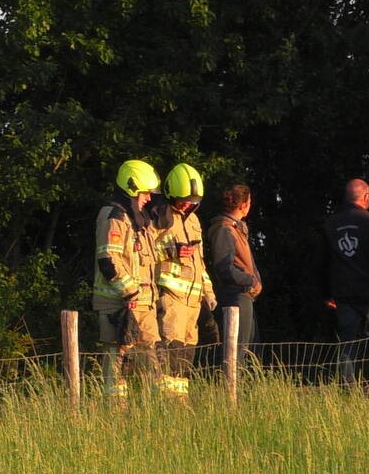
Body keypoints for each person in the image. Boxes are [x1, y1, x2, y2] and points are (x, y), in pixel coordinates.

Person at [93, 159, 164, 402]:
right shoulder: (114, 216)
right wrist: (130, 293)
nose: (148, 199)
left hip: (143, 305)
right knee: (116, 361)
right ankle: (115, 411)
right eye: (145, 193)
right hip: (118, 305)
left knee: (150, 358)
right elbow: (108, 260)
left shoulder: (137, 220)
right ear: (132, 189)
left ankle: (152, 409)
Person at [153, 163, 217, 401]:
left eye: (192, 201)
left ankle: (180, 402)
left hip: (193, 300)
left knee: (187, 352)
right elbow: (146, 254)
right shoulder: (158, 218)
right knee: (170, 349)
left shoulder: (194, 222)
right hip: (170, 296)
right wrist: (172, 251)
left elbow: (200, 262)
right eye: (183, 201)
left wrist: (208, 292)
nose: (187, 205)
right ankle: (166, 403)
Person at [319, 178, 369, 386]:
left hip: (342, 295)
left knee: (347, 344)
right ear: (366, 196)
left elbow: (322, 262)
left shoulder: (331, 224)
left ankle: (348, 388)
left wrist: (327, 293)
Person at [207, 184, 262, 367]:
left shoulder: (235, 228)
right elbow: (224, 268)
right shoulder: (225, 229)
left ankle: (242, 390)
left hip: (244, 294)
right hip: (235, 295)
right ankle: (230, 391)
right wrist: (250, 280)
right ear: (243, 204)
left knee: (248, 350)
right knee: (237, 352)